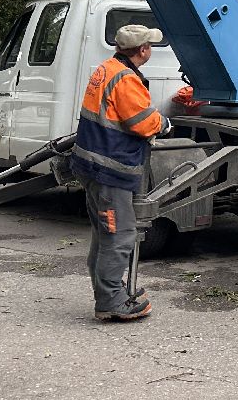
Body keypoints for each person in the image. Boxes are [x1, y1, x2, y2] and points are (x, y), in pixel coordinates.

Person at [70, 23, 169, 323]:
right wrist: (164, 124)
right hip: (109, 170)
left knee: (104, 236)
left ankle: (112, 294)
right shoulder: (125, 79)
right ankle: (111, 300)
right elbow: (143, 122)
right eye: (149, 45)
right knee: (119, 236)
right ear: (142, 51)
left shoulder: (106, 69)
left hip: (92, 165)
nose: (151, 49)